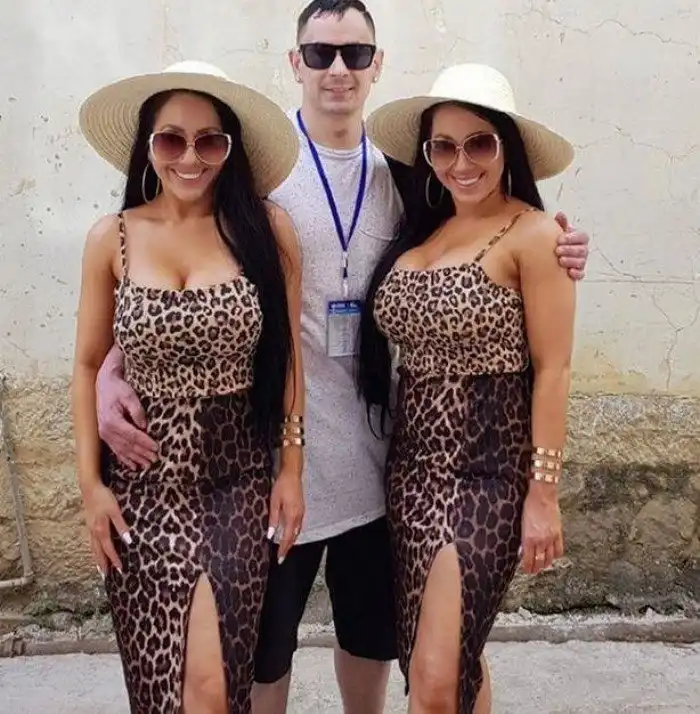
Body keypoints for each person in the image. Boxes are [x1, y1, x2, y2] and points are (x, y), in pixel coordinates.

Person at [94, 4, 591, 714]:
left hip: (384, 464)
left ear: (376, 65)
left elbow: (496, 249)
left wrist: (559, 244)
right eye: (320, 53)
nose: (337, 69)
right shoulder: (254, 179)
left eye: (355, 54)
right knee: (263, 655)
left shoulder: (411, 181)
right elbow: (175, 276)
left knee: (384, 644)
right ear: (294, 61)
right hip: (271, 468)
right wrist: (112, 366)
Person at [71, 60, 305, 714]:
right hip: (140, 492)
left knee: (213, 686)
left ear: (231, 148)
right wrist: (90, 489)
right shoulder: (112, 238)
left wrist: (292, 469)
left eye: (210, 141)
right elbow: (86, 366)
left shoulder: (266, 230)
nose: (191, 157)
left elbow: (289, 359)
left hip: (235, 485)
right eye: (172, 139)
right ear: (148, 147)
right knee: (158, 689)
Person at [357, 62, 578, 713]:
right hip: (410, 473)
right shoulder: (423, 226)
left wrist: (543, 494)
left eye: (479, 143)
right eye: (444, 147)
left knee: (433, 676)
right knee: (450, 657)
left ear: (507, 148)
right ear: (427, 155)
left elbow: (555, 369)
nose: (462, 162)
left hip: (487, 476)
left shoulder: (535, 235)